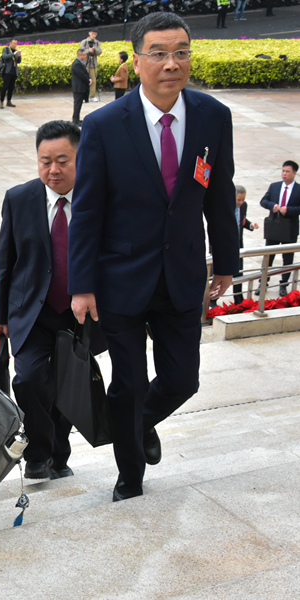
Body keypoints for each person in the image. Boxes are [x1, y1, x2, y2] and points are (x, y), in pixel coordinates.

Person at [68, 13, 240, 503]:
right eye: (160, 53)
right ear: (136, 60)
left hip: (182, 272)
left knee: (183, 380)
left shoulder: (212, 116)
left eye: (181, 52)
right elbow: (87, 210)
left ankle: (134, 426)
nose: (172, 63)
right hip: (120, 277)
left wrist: (226, 261)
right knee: (129, 382)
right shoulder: (103, 125)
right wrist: (82, 284)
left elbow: (218, 192)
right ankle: (130, 477)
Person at [0, 120, 91, 480]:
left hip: (80, 313)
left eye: (63, 160)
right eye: (44, 161)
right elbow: (5, 259)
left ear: (82, 158)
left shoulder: (96, 198)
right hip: (31, 310)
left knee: (67, 388)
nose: (53, 170)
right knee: (30, 380)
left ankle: (58, 455)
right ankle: (38, 452)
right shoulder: (20, 198)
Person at [260, 161, 299, 297]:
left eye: (287, 171)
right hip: (274, 226)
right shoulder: (275, 186)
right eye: (283, 171)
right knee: (269, 256)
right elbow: (263, 201)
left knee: (287, 258)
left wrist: (289, 210)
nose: (284, 174)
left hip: (290, 229)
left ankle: (284, 285)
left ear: (294, 173)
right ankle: (263, 283)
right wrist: (273, 206)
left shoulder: (298, 189)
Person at [232, 185, 258, 303]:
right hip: (223, 245)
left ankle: (238, 298)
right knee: (218, 273)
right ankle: (213, 299)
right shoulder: (224, 206)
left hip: (238, 244)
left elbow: (242, 221)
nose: (241, 202)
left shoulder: (244, 206)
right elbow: (214, 228)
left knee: (238, 272)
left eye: (243, 199)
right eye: (238, 200)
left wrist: (250, 225)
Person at [79, 30, 102, 102]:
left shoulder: (97, 42)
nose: (93, 35)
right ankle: (83, 96)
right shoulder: (84, 42)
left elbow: (100, 52)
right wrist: (89, 50)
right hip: (85, 64)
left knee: (93, 81)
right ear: (89, 33)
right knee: (84, 80)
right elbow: (81, 51)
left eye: (95, 34)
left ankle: (92, 96)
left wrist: (94, 48)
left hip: (93, 64)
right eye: (92, 34)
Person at [0, 40, 21, 109]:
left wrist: (19, 56)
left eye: (16, 44)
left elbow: (18, 61)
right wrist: (13, 54)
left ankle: (9, 101)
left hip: (14, 71)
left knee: (11, 87)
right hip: (7, 71)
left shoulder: (16, 50)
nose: (15, 45)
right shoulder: (6, 49)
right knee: (5, 87)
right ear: (10, 43)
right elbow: (5, 56)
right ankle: (1, 102)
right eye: (14, 43)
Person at [71, 49, 91, 125]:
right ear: (80, 56)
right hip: (78, 88)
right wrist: (88, 80)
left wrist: (89, 78)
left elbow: (85, 73)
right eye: (84, 55)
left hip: (81, 87)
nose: (86, 56)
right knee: (77, 104)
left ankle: (77, 118)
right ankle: (75, 120)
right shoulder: (76, 64)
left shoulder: (80, 63)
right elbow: (82, 75)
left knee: (79, 104)